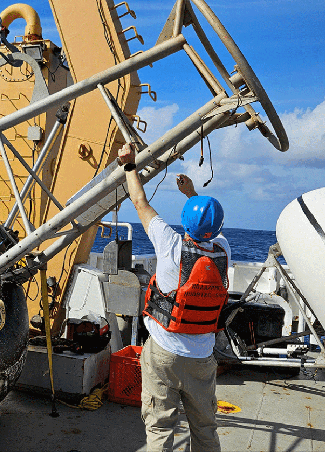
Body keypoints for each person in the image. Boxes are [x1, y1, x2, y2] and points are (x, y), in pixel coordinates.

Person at [117, 142, 230, 452]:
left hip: (164, 353)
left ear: (185, 222)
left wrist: (129, 166)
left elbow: (139, 202)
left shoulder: (170, 245)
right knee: (205, 429)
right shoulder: (223, 252)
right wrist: (194, 196)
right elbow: (208, 227)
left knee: (160, 429)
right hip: (202, 357)